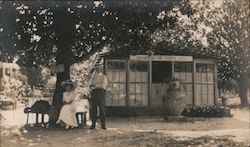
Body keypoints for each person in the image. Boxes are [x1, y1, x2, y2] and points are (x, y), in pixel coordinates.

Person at [89, 64, 108, 130]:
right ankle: (93, 124)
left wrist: (95, 85)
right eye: (96, 68)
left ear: (101, 68)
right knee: (93, 109)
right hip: (94, 93)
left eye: (98, 68)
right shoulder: (93, 76)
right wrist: (96, 85)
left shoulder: (103, 76)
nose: (97, 69)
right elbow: (90, 85)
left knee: (101, 108)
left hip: (101, 93)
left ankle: (103, 125)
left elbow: (103, 86)